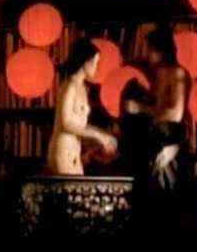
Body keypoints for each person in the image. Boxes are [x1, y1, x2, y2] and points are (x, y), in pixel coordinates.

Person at [125, 24, 189, 191]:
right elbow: (157, 108)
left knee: (167, 188)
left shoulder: (177, 73)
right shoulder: (156, 75)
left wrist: (140, 108)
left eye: (149, 50)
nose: (147, 55)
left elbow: (175, 113)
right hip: (154, 138)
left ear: (160, 51)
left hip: (170, 138)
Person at [47, 38, 117, 175]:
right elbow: (66, 123)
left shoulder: (83, 87)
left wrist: (104, 136)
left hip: (74, 151)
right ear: (86, 63)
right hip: (63, 150)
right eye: (96, 63)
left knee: (79, 184)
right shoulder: (70, 86)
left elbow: (80, 125)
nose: (97, 68)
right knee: (72, 187)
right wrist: (97, 136)